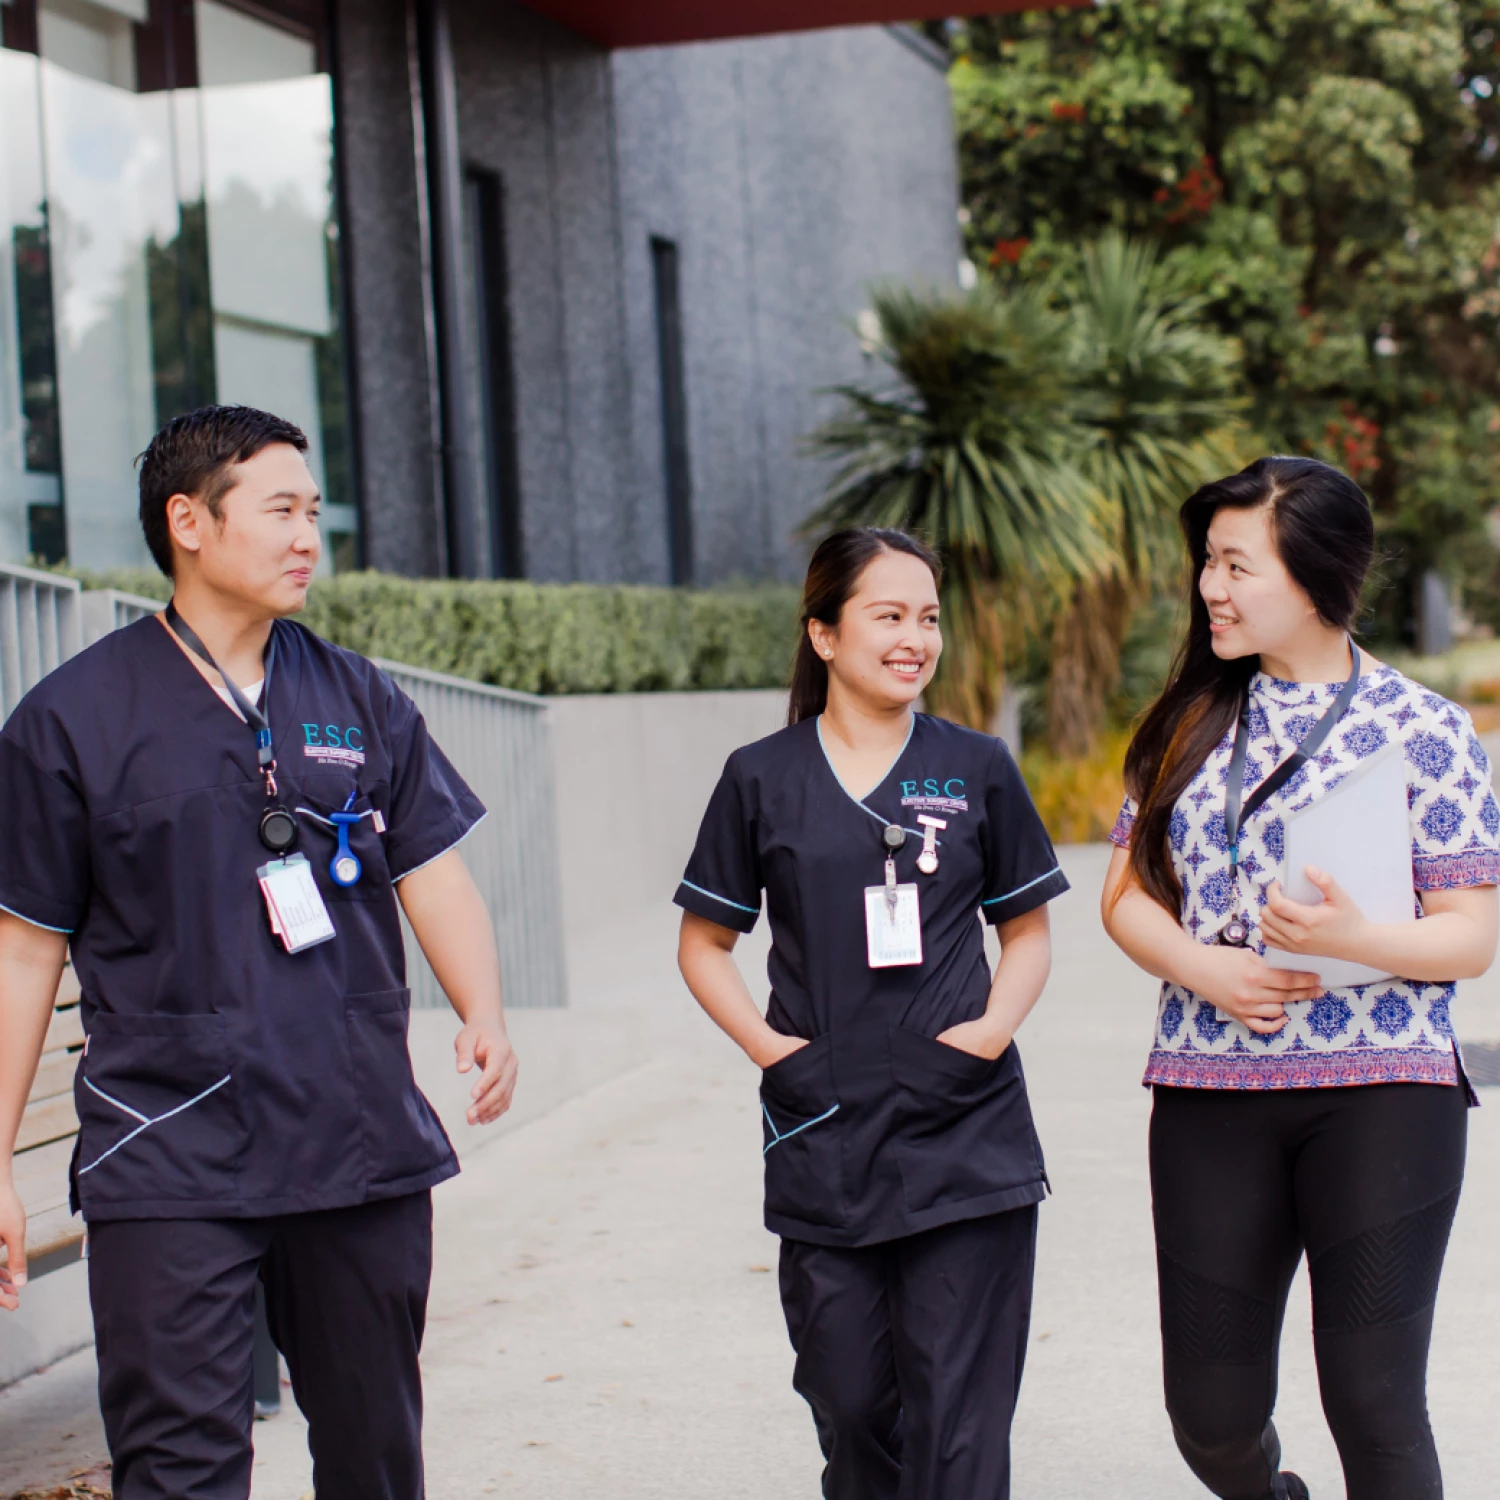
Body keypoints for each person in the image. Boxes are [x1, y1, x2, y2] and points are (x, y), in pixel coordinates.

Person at [0, 406, 518, 1500]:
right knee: (179, 1469)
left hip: (355, 1138)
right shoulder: (72, 721)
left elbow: (431, 867)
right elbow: (22, 950)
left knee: (376, 1456)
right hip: (169, 1148)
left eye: (313, 512)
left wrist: (483, 1008)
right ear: (189, 521)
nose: (307, 538)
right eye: (280, 510)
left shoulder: (356, 696)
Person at [1101, 456, 1499, 1500]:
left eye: (1237, 564)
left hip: (1386, 1095)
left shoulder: (1427, 731)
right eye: (1208, 562)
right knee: (1212, 1424)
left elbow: (1468, 939)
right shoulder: (1186, 724)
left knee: (1374, 1401)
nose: (1210, 587)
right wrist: (1205, 969)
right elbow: (1125, 896)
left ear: (1315, 574)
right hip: (1208, 1091)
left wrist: (1359, 937)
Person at [675, 526, 1068, 1500]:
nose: (915, 638)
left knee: (960, 1421)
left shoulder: (975, 766)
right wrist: (774, 1051)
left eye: (928, 618)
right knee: (850, 1404)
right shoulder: (760, 777)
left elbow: (1027, 935)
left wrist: (985, 1037)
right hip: (826, 1127)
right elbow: (704, 946)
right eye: (888, 615)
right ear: (822, 633)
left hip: (962, 1129)